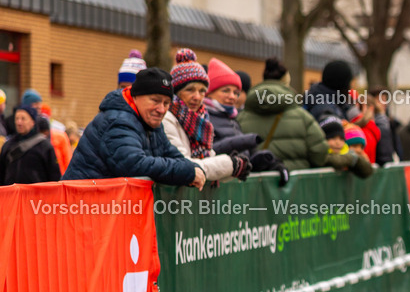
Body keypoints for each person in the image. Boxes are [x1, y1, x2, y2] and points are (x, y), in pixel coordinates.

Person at [62, 67, 205, 188]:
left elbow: (169, 153)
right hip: (82, 208)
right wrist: (187, 172)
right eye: (155, 100)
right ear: (136, 96)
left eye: (166, 103)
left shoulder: (150, 122)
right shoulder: (118, 121)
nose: (161, 109)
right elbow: (133, 164)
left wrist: (192, 168)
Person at [162, 50, 250, 182]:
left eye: (202, 91)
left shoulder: (202, 121)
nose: (197, 97)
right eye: (190, 89)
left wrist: (234, 168)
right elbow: (186, 166)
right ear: (176, 91)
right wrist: (230, 164)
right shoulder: (167, 119)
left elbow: (208, 164)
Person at [239, 58, 330, 171]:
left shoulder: (240, 117)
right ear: (286, 83)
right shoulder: (302, 117)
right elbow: (319, 154)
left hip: (252, 185)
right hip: (295, 184)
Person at [0, 104, 61, 185]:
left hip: (36, 196)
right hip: (12, 195)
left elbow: (54, 176)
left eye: (23, 119)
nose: (19, 122)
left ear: (33, 122)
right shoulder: (8, 145)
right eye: (17, 118)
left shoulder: (44, 146)